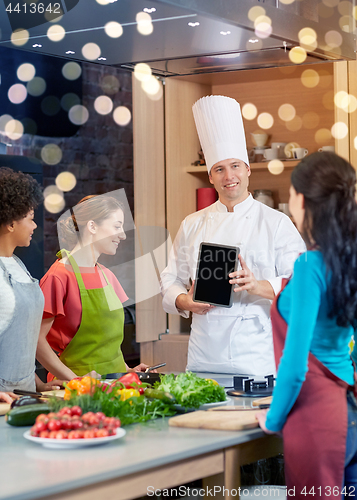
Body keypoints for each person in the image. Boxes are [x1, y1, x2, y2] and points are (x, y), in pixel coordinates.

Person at [160, 95, 305, 376]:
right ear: (210, 176)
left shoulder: (276, 223)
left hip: (257, 356)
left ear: (248, 170)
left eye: (236, 166)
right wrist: (184, 301)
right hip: (204, 355)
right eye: (219, 169)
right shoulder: (192, 224)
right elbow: (170, 278)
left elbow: (300, 284)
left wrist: (257, 285)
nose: (229, 176)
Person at [257, 151, 357, 493]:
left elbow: (296, 363)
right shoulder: (349, 261)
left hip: (316, 419)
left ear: (302, 200)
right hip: (350, 412)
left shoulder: (309, 266)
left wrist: (272, 420)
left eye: (291, 194)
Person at [37, 194, 149, 381]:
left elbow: (105, 343)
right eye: (117, 226)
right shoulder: (59, 276)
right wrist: (75, 381)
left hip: (117, 384)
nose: (122, 234)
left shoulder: (107, 275)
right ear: (92, 226)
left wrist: (129, 371)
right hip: (76, 391)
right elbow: (37, 342)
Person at [0, 167, 64, 395]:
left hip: (26, 394)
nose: (35, 226)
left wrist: (39, 385)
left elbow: (20, 345)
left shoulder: (17, 265)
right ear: (10, 223)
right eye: (30, 218)